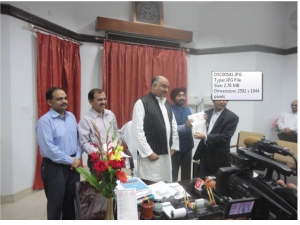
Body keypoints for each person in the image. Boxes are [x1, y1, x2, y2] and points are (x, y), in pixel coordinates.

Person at [36, 87, 82, 220]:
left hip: (73, 167)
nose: (64, 101)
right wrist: (70, 160)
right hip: (54, 168)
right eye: (59, 98)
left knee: (71, 204)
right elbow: (48, 149)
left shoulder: (71, 117)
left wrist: (77, 158)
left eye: (65, 98)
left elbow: (78, 140)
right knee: (56, 206)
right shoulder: (45, 121)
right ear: (49, 102)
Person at [132, 76, 179, 182]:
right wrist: (148, 152)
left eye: (167, 87)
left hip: (166, 152)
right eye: (163, 87)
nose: (166, 90)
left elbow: (173, 124)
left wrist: (173, 144)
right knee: (151, 183)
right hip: (151, 154)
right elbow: (137, 131)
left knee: (165, 182)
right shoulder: (142, 103)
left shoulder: (166, 103)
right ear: (154, 86)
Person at [193, 99, 239, 177]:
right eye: (218, 99)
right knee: (203, 179)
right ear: (213, 100)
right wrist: (193, 124)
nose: (221, 102)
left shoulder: (232, 117)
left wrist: (206, 136)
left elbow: (225, 136)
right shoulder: (207, 113)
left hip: (219, 155)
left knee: (218, 182)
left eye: (224, 99)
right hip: (205, 152)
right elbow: (202, 127)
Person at [78, 88, 119, 174]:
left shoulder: (110, 114)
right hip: (97, 159)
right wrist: (97, 152)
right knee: (100, 185)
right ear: (91, 101)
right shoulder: (86, 120)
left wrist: (116, 147)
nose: (103, 102)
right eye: (100, 100)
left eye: (104, 99)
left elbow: (116, 132)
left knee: (115, 183)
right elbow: (84, 143)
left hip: (113, 157)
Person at [169, 87, 194, 181]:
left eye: (183, 95)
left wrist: (203, 121)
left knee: (187, 174)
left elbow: (195, 123)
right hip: (174, 148)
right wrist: (185, 126)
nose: (182, 97)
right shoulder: (169, 110)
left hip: (188, 146)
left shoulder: (190, 110)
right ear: (173, 97)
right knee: (173, 173)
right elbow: (171, 129)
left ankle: (186, 192)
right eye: (179, 95)